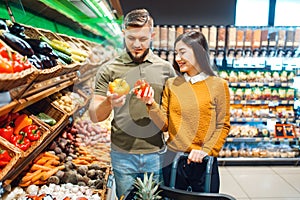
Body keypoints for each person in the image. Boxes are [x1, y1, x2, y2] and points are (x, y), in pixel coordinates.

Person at [88, 8, 176, 198]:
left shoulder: (166, 69)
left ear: (152, 35)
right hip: (122, 154)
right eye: (131, 38)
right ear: (124, 34)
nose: (137, 44)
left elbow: (172, 119)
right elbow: (95, 116)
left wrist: (151, 103)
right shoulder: (108, 69)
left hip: (156, 154)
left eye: (143, 39)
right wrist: (109, 102)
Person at [136, 31, 231, 193]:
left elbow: (223, 125)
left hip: (203, 162)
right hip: (173, 161)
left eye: (182, 52)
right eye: (176, 53)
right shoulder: (172, 84)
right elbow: (164, 126)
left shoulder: (218, 85)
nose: (177, 58)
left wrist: (205, 150)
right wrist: (151, 104)